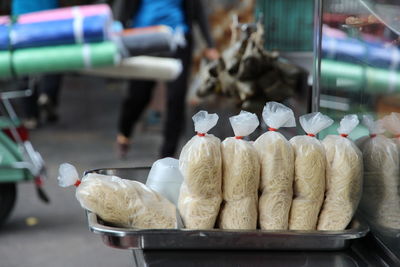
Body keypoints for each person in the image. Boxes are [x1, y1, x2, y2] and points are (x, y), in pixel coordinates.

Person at [113, 0, 219, 158]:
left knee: (176, 98)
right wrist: (117, 32)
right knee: (139, 96)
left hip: (178, 39)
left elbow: (197, 8)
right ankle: (124, 133)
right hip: (143, 39)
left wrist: (210, 45)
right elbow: (123, 7)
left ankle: (167, 155)